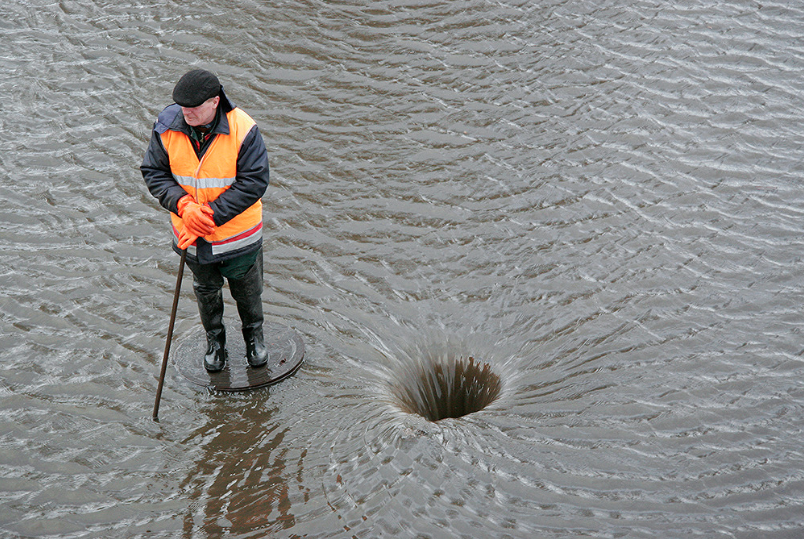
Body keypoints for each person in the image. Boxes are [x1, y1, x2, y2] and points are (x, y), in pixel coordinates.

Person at [141, 69, 271, 373]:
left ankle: (255, 337)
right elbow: (154, 172)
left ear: (215, 101)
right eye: (182, 106)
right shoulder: (166, 126)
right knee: (205, 289)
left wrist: (209, 215)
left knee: (247, 290)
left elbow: (254, 181)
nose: (186, 112)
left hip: (239, 236)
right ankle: (216, 342)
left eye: (194, 107)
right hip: (191, 237)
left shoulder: (244, 129)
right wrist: (183, 205)